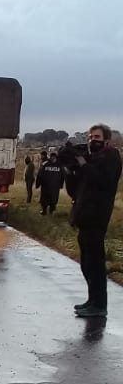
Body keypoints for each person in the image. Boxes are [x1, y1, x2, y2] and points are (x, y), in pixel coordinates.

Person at [69, 124, 122, 318]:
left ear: (106, 139)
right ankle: (92, 300)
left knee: (96, 264)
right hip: (85, 216)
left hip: (97, 217)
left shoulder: (111, 157)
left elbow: (103, 181)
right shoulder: (94, 159)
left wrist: (84, 164)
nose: (93, 140)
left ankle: (99, 305)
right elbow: (77, 188)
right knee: (86, 263)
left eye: (97, 136)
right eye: (91, 136)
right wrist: (73, 169)